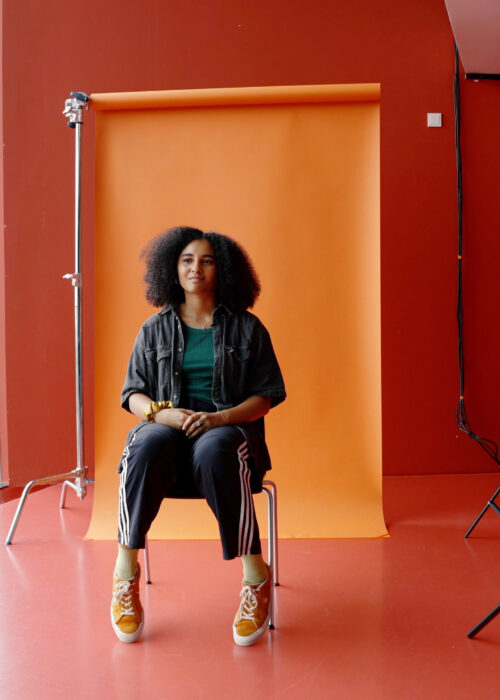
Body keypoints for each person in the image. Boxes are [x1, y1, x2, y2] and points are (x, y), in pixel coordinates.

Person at [111, 226, 286, 646]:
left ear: (222, 269)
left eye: (206, 261)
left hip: (225, 435)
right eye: (187, 260)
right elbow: (132, 394)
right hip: (167, 433)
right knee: (143, 445)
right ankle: (124, 574)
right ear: (172, 268)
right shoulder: (153, 329)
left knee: (215, 450)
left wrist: (219, 418)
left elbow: (264, 398)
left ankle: (255, 577)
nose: (196, 268)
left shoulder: (247, 328)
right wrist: (163, 414)